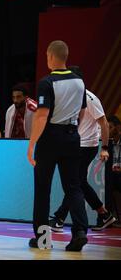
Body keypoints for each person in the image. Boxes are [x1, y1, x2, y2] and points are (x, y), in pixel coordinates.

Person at [27, 40, 88, 251]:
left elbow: (42, 116)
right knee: (73, 187)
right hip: (72, 136)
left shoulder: (47, 82)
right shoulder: (79, 81)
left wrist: (32, 143)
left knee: (43, 189)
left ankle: (43, 239)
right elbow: (81, 112)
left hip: (50, 138)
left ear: (51, 56)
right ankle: (80, 231)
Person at [49, 66, 116, 232]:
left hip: (88, 145)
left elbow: (104, 124)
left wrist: (105, 147)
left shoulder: (90, 99)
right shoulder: (69, 97)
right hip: (74, 144)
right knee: (77, 182)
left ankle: (59, 218)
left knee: (75, 182)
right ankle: (104, 214)